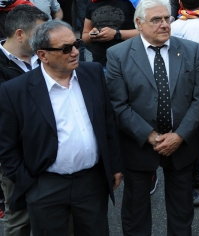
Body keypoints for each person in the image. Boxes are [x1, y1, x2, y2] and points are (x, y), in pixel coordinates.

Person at [0, 20, 123, 235]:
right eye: (66, 49)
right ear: (43, 55)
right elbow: (6, 145)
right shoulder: (15, 91)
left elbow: (107, 122)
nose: (75, 51)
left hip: (91, 183)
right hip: (45, 185)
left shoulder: (92, 73)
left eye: (75, 44)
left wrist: (114, 165)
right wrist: (28, 183)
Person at [106, 0, 199, 235]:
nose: (164, 24)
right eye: (156, 20)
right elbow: (117, 105)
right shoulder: (118, 55)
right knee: (136, 212)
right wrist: (151, 136)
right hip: (139, 145)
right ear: (139, 23)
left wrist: (180, 136)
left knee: (182, 210)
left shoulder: (190, 50)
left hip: (181, 145)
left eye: (167, 18)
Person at [0, 5, 49, 235]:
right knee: (20, 219)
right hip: (15, 157)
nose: (46, 39)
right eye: (40, 33)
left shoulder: (46, 57)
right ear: (20, 34)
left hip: (50, 152)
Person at [82, 0, 139, 67]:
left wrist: (116, 34)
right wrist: (92, 35)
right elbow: (85, 36)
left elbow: (145, 32)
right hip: (101, 63)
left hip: (129, 63)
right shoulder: (92, 2)